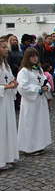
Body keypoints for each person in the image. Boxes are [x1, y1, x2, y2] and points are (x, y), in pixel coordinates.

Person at [17, 48, 52, 155]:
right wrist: (38, 89)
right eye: (32, 56)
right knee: (30, 124)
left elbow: (45, 81)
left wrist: (47, 87)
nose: (35, 58)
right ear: (27, 58)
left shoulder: (38, 69)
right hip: (30, 103)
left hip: (40, 102)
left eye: (36, 56)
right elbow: (22, 87)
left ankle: (39, 145)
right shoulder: (24, 71)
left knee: (40, 123)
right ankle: (29, 147)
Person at [0, 38, 19, 171]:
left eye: (6, 47)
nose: (7, 49)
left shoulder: (5, 65)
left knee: (8, 129)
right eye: (3, 47)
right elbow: (5, 84)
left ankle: (7, 156)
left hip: (7, 101)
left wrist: (14, 83)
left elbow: (10, 79)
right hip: (1, 100)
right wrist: (6, 87)